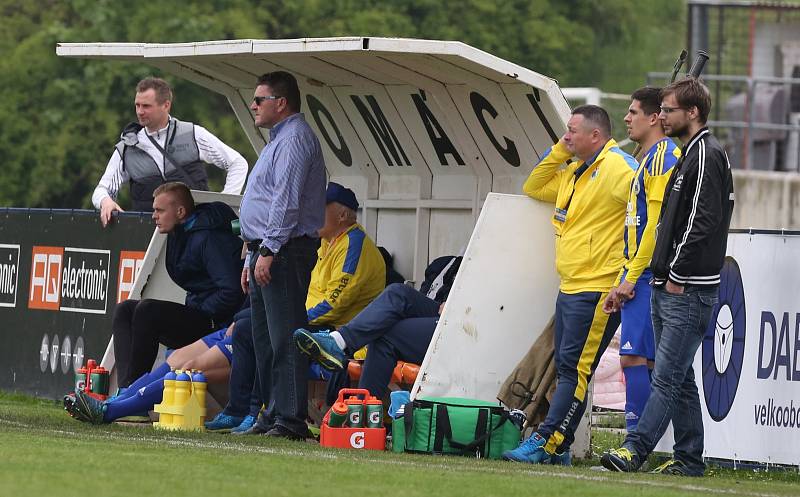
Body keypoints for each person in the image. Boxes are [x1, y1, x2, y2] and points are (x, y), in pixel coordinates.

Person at [601, 78, 734, 477]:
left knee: (667, 376)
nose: (662, 116)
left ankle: (635, 450)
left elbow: (702, 222)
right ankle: (690, 458)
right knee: (679, 377)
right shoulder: (691, 154)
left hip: (687, 287)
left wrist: (675, 273)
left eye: (669, 110)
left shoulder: (706, 154)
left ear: (692, 113)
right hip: (669, 284)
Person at [503, 105, 636, 465]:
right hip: (571, 285)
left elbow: (646, 213)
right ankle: (559, 448)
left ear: (596, 135)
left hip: (597, 288)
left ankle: (546, 440)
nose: (566, 136)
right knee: (569, 368)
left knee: (573, 369)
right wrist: (562, 151)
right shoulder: (573, 171)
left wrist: (625, 276)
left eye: (573, 131)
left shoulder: (620, 168)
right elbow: (533, 185)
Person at [210, 182, 386, 434]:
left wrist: (295, 317)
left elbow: (336, 303)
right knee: (248, 326)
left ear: (343, 215)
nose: (313, 213)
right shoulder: (327, 242)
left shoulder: (354, 244)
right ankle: (247, 410)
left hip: (339, 330)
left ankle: (259, 412)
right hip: (315, 320)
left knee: (266, 330)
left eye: (321, 208)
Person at [238, 71, 326, 440]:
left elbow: (285, 203)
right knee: (263, 338)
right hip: (266, 249)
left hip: (285, 250)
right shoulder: (277, 140)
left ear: (282, 103)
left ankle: (289, 419)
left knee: (285, 336)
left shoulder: (294, 140)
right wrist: (251, 254)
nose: (253, 105)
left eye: (260, 100)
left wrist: (270, 249)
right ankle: (272, 411)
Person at [112, 182, 244, 389]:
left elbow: (232, 291)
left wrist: (203, 311)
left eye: (160, 210)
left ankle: (136, 391)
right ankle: (125, 389)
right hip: (200, 312)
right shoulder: (179, 233)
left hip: (219, 322)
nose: (154, 215)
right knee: (125, 309)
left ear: (180, 211)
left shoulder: (209, 237)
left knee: (148, 310)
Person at [602, 87, 681, 433]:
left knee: (636, 358)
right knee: (641, 360)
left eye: (633, 112)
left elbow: (656, 227)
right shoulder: (647, 157)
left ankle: (637, 440)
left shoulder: (664, 156)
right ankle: (642, 440)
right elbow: (636, 228)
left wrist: (632, 277)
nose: (626, 118)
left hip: (649, 274)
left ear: (654, 118)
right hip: (637, 271)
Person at [92, 77, 248, 226]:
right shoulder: (127, 148)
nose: (139, 111)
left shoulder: (193, 134)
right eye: (137, 105)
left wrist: (224, 206)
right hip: (150, 236)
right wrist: (105, 201)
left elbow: (238, 163)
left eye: (146, 106)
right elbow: (101, 190)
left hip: (196, 232)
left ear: (166, 105)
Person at [64, 308, 254, 426]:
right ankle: (114, 403)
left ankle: (108, 412)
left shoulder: (272, 249)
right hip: (243, 321)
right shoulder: (256, 251)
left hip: (253, 328)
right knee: (177, 358)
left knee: (190, 369)